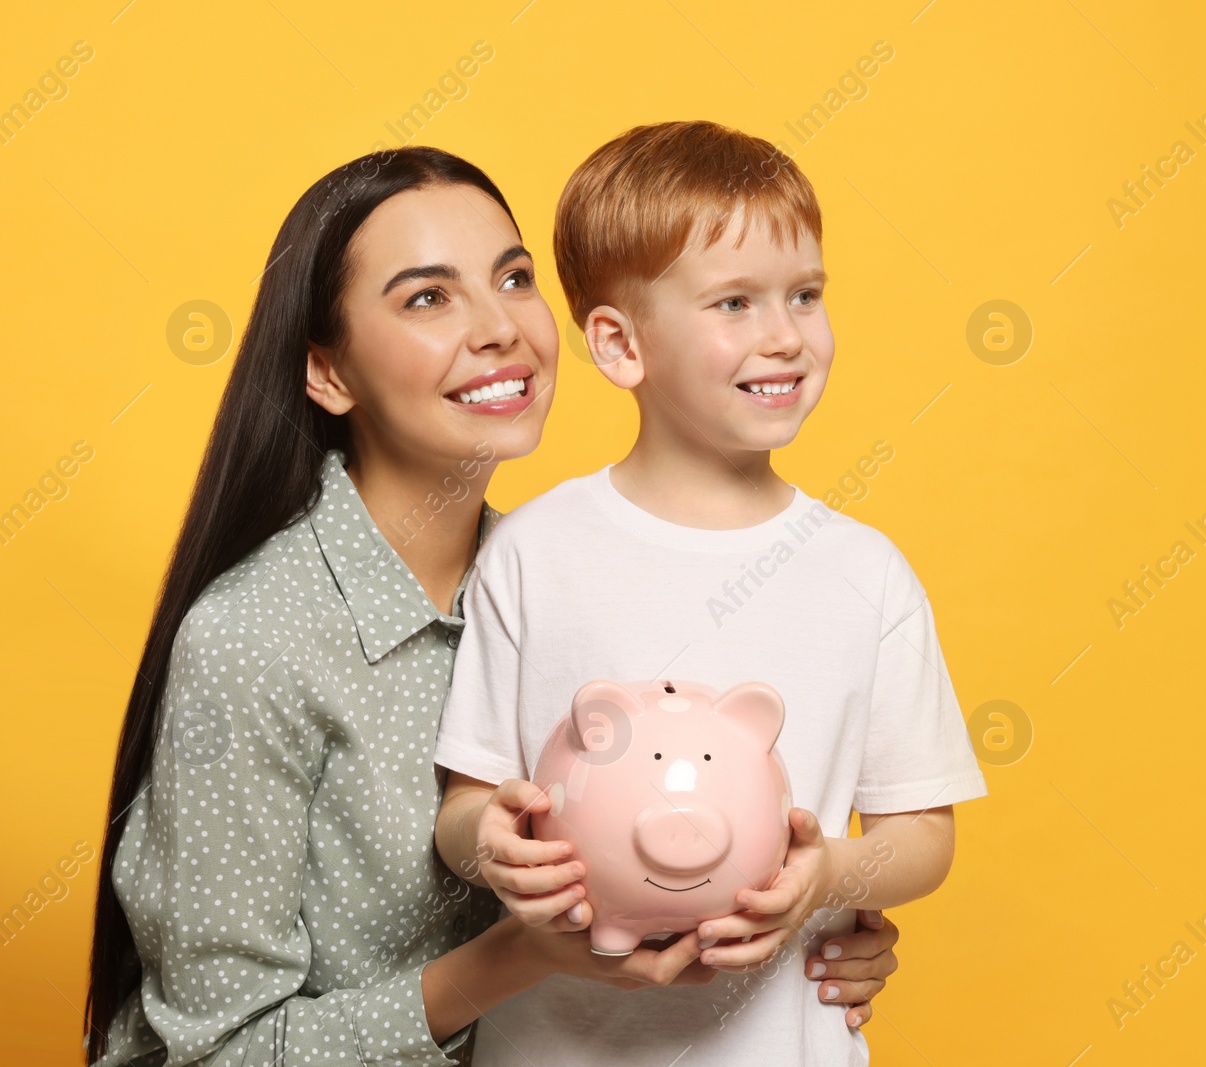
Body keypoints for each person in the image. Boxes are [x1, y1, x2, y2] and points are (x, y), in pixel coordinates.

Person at [84, 144, 900, 1066]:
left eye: (513, 278)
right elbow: (217, 1052)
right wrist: (506, 962)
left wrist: (803, 923)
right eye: (427, 297)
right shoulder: (254, 640)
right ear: (328, 371)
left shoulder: (558, 581)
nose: (499, 328)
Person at [432, 121, 987, 1067]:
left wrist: (823, 878)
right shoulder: (532, 554)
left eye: (805, 295)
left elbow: (922, 834)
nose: (785, 336)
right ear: (619, 343)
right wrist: (496, 849)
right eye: (735, 302)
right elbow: (464, 803)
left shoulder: (866, 572)